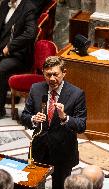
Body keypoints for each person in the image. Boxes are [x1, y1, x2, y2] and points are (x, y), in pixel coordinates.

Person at [21, 56, 87, 189]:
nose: (52, 79)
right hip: (39, 150)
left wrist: (65, 117)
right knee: (36, 185)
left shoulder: (76, 94)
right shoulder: (36, 89)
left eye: (55, 74)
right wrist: (33, 119)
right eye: (48, 74)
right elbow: (24, 116)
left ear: (64, 73)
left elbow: (81, 125)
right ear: (43, 73)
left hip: (63, 152)